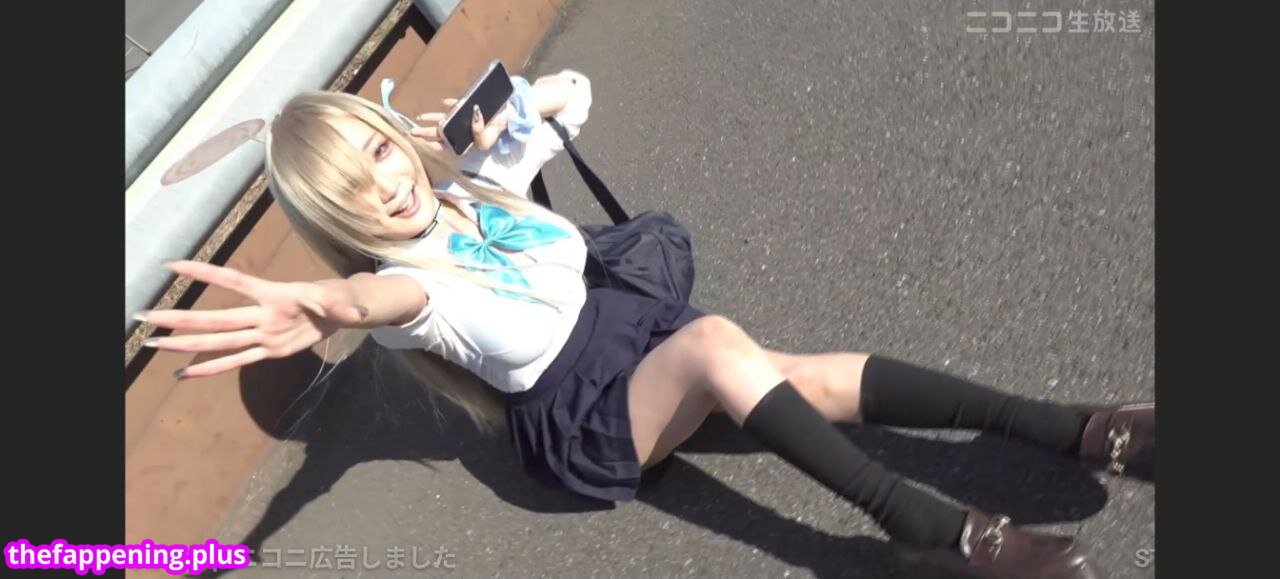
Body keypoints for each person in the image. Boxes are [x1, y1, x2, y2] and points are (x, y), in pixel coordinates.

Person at [137, 68, 1152, 578]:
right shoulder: (406, 291)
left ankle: (1073, 427)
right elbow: (384, 304)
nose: (386, 187)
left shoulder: (473, 184)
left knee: (806, 377)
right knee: (718, 348)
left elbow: (569, 97)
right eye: (352, 193)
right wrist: (329, 304)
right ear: (336, 225)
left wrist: (516, 112)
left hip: (630, 333)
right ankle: (938, 532)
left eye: (377, 153)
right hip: (584, 417)